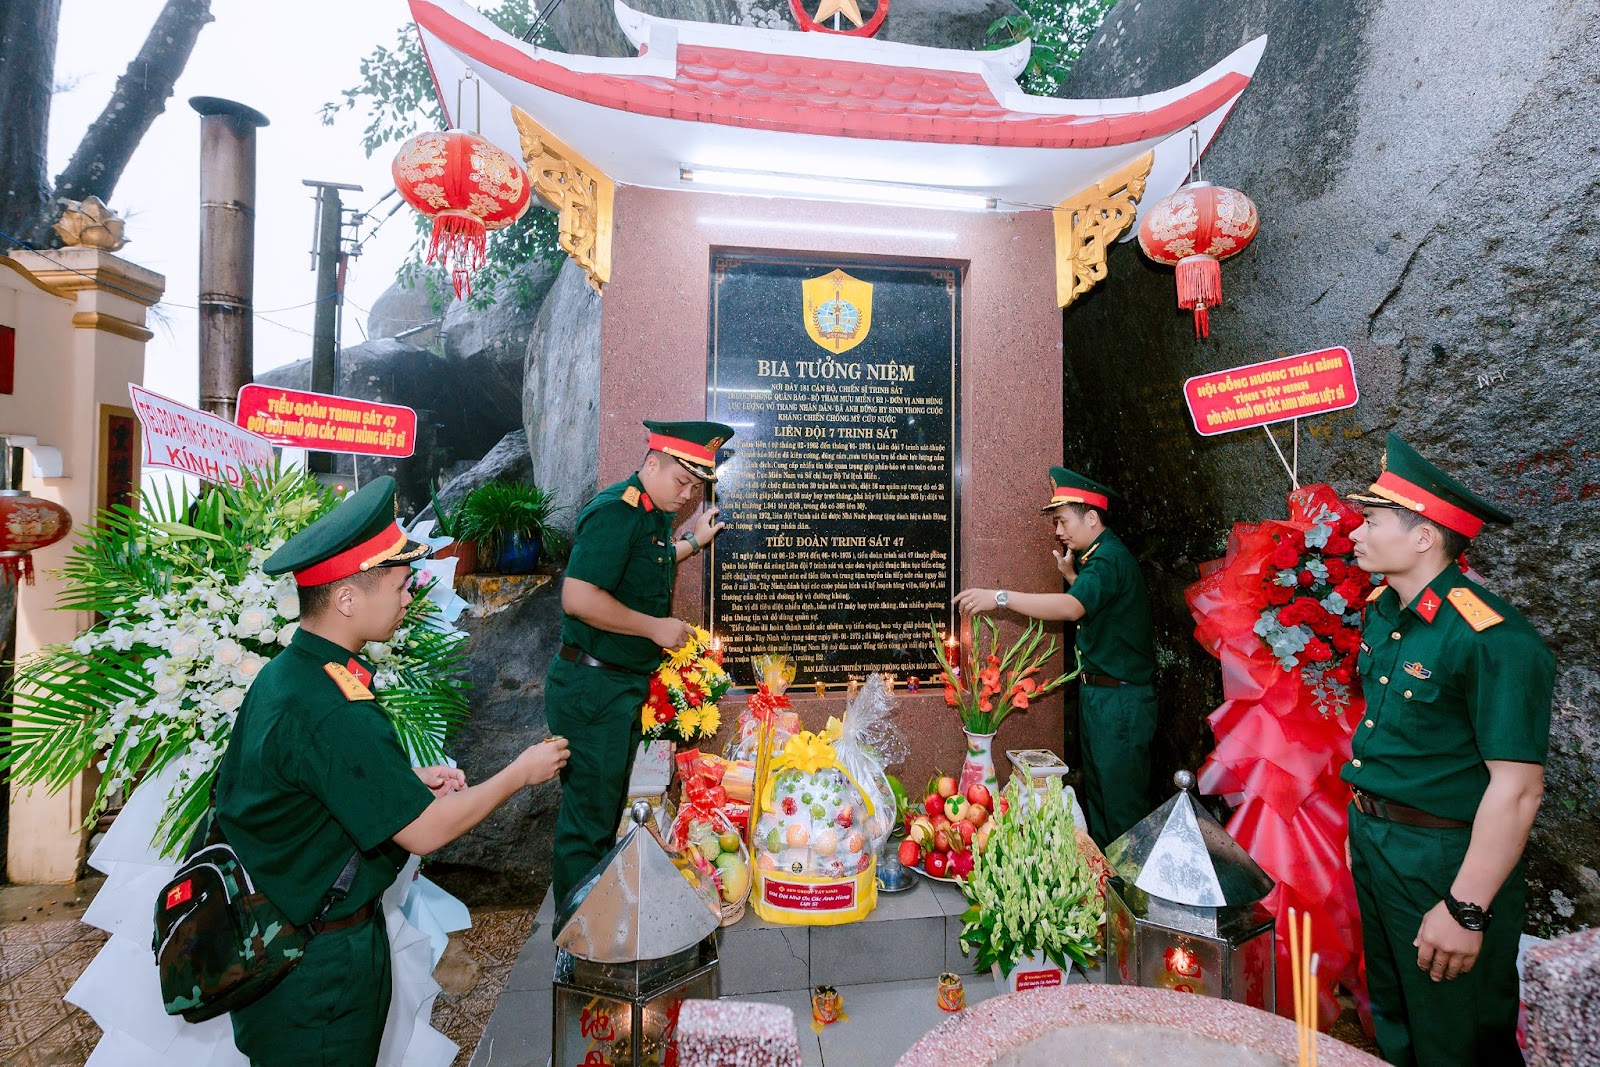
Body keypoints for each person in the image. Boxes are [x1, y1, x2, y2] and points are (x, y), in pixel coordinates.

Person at [215, 475, 570, 1067]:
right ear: (348, 598)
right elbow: (424, 833)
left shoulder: (292, 672)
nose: (410, 599)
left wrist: (401, 786)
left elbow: (309, 793)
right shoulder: (332, 704)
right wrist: (518, 772)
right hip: (317, 968)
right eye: (402, 586)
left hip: (287, 939)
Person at [1343, 434, 1553, 1066]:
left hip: (1444, 858)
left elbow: (1517, 789)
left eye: (1372, 520)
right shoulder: (1385, 612)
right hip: (1381, 845)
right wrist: (1366, 822)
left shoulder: (1494, 640)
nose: (1356, 532)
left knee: (1455, 1037)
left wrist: (1466, 907)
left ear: (1424, 536)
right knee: (1397, 1019)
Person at [547, 419, 734, 910]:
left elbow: (638, 565)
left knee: (604, 811)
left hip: (615, 687)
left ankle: (594, 922)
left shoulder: (650, 511)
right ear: (652, 463)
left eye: (696, 487)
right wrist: (655, 628)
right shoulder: (617, 511)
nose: (688, 495)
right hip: (593, 688)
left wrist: (691, 543)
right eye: (682, 481)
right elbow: (579, 595)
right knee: (588, 823)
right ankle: (577, 941)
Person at [953, 465, 1156, 845]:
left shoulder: (1108, 558)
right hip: (1104, 696)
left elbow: (1073, 609)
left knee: (1121, 810)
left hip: (1120, 702)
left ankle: (1128, 900)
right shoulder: (1098, 559)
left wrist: (1000, 598)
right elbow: (1103, 608)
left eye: (1063, 521)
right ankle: (1106, 890)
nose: (1058, 531)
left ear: (1092, 517)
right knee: (1101, 802)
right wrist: (1075, 579)